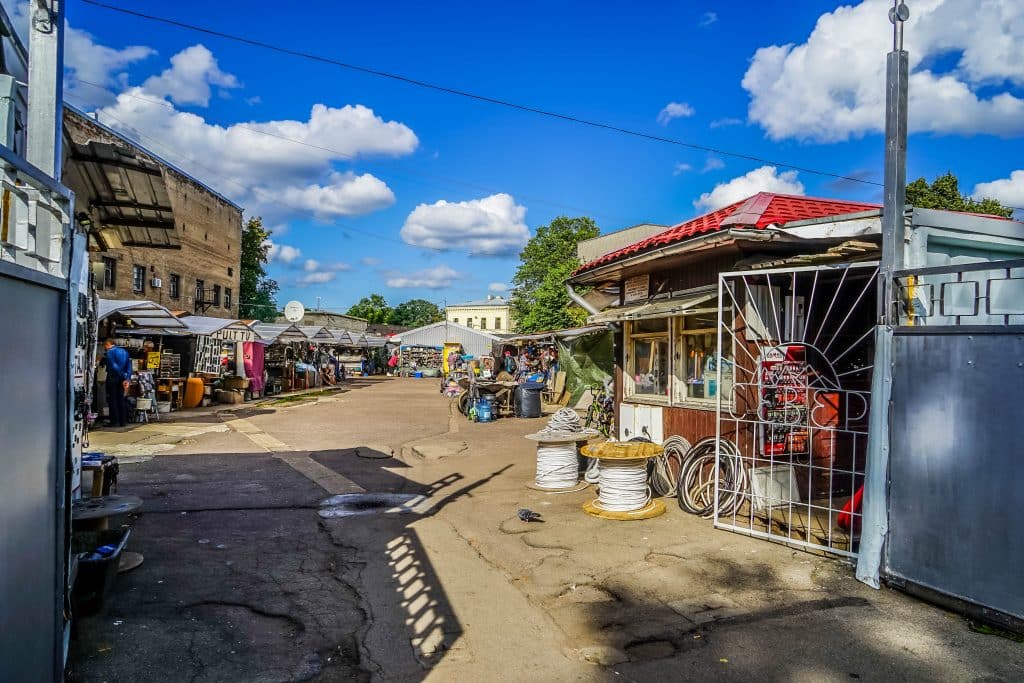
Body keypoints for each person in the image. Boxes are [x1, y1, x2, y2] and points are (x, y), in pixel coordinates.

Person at [103, 337, 132, 428]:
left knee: (112, 399)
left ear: (107, 344)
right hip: (122, 378)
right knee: (121, 398)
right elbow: (129, 366)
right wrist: (127, 378)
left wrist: (121, 374)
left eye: (105, 346)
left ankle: (114, 421)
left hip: (113, 377)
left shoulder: (110, 352)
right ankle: (123, 421)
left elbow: (114, 366)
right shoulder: (125, 352)